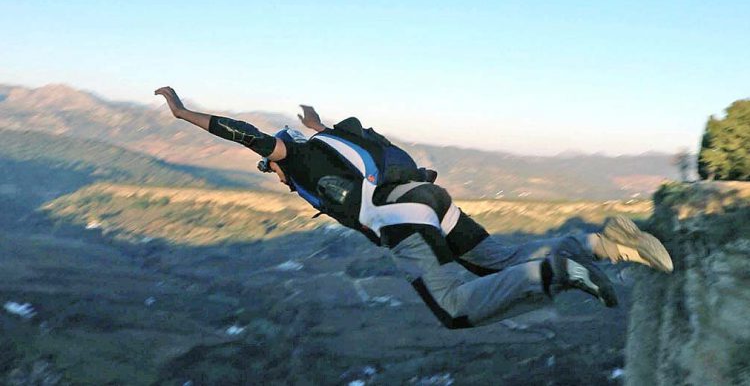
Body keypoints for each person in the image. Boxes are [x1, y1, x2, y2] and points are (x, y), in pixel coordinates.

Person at [154, 86, 673, 329]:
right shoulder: (337, 141)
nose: (275, 174)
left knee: (456, 307)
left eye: (272, 168)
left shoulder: (302, 159)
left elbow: (247, 136)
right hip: (433, 200)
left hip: (400, 215)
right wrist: (319, 122)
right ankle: (600, 244)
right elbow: (345, 138)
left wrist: (184, 114)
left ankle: (556, 270)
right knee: (498, 261)